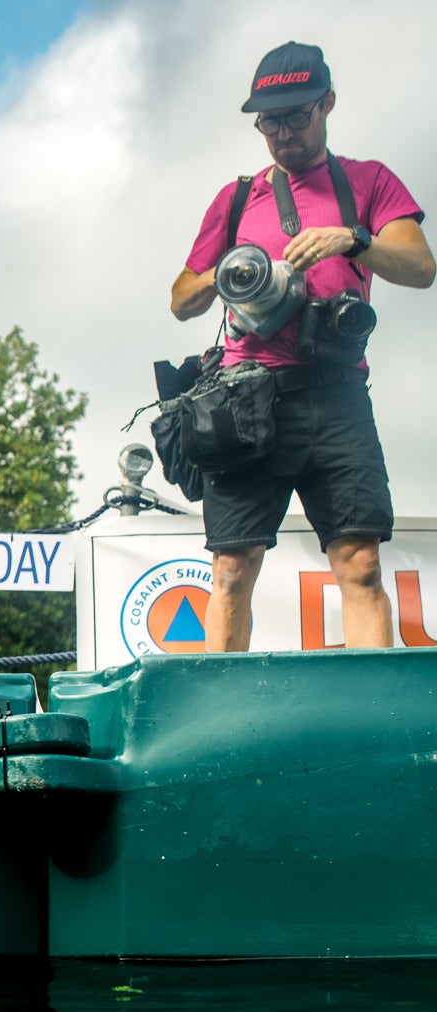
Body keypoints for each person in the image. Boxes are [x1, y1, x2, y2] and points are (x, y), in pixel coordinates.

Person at [169, 42, 433, 652]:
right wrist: (230, 272)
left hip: (337, 395)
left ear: (327, 105)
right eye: (269, 120)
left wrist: (354, 239)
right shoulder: (236, 197)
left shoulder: (369, 181)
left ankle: (376, 715)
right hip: (247, 399)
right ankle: (223, 718)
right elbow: (181, 298)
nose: (282, 131)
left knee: (361, 563)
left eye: (296, 115)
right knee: (232, 571)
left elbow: (421, 267)